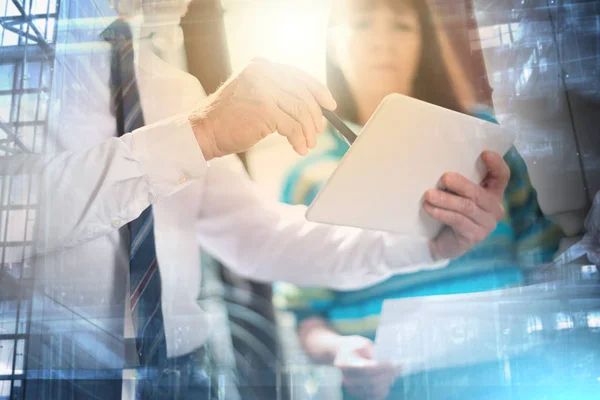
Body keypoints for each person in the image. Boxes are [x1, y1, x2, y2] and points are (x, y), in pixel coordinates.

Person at [5, 0, 510, 398]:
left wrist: (424, 238)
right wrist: (199, 134)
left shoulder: (174, 90)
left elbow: (259, 236)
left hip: (184, 379)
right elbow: (13, 216)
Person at [276, 0, 564, 399]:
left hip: (520, 374)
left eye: (401, 26)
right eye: (362, 23)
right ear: (332, 44)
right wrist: (342, 351)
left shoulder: (482, 136)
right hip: (394, 387)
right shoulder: (307, 176)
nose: (382, 41)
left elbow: (541, 257)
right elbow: (306, 314)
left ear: (423, 42)